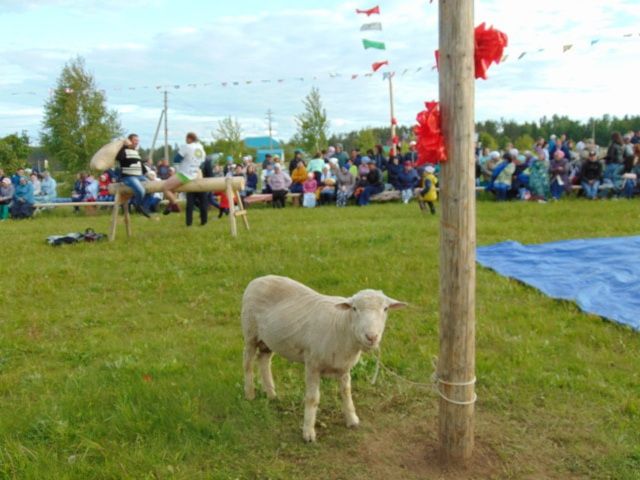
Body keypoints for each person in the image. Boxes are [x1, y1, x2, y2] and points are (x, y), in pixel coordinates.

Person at [163, 132, 205, 215]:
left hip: (185, 174)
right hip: (196, 174)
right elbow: (202, 162)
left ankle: (175, 206)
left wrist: (177, 171)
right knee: (173, 188)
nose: (185, 140)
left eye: (186, 138)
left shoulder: (187, 147)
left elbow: (176, 159)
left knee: (165, 188)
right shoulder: (201, 148)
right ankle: (170, 205)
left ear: (189, 138)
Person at [116, 133, 151, 217]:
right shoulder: (123, 151)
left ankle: (143, 206)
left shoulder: (135, 152)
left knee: (150, 188)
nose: (137, 142)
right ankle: (137, 204)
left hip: (139, 176)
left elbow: (140, 164)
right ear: (129, 141)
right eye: (135, 140)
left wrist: (147, 174)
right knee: (141, 191)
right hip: (128, 177)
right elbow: (118, 158)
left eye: (137, 141)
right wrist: (124, 146)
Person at [185, 152, 215, 227]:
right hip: (190, 186)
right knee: (189, 205)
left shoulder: (206, 162)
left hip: (202, 186)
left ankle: (204, 222)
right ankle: (189, 224)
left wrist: (207, 186)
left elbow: (210, 175)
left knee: (204, 205)